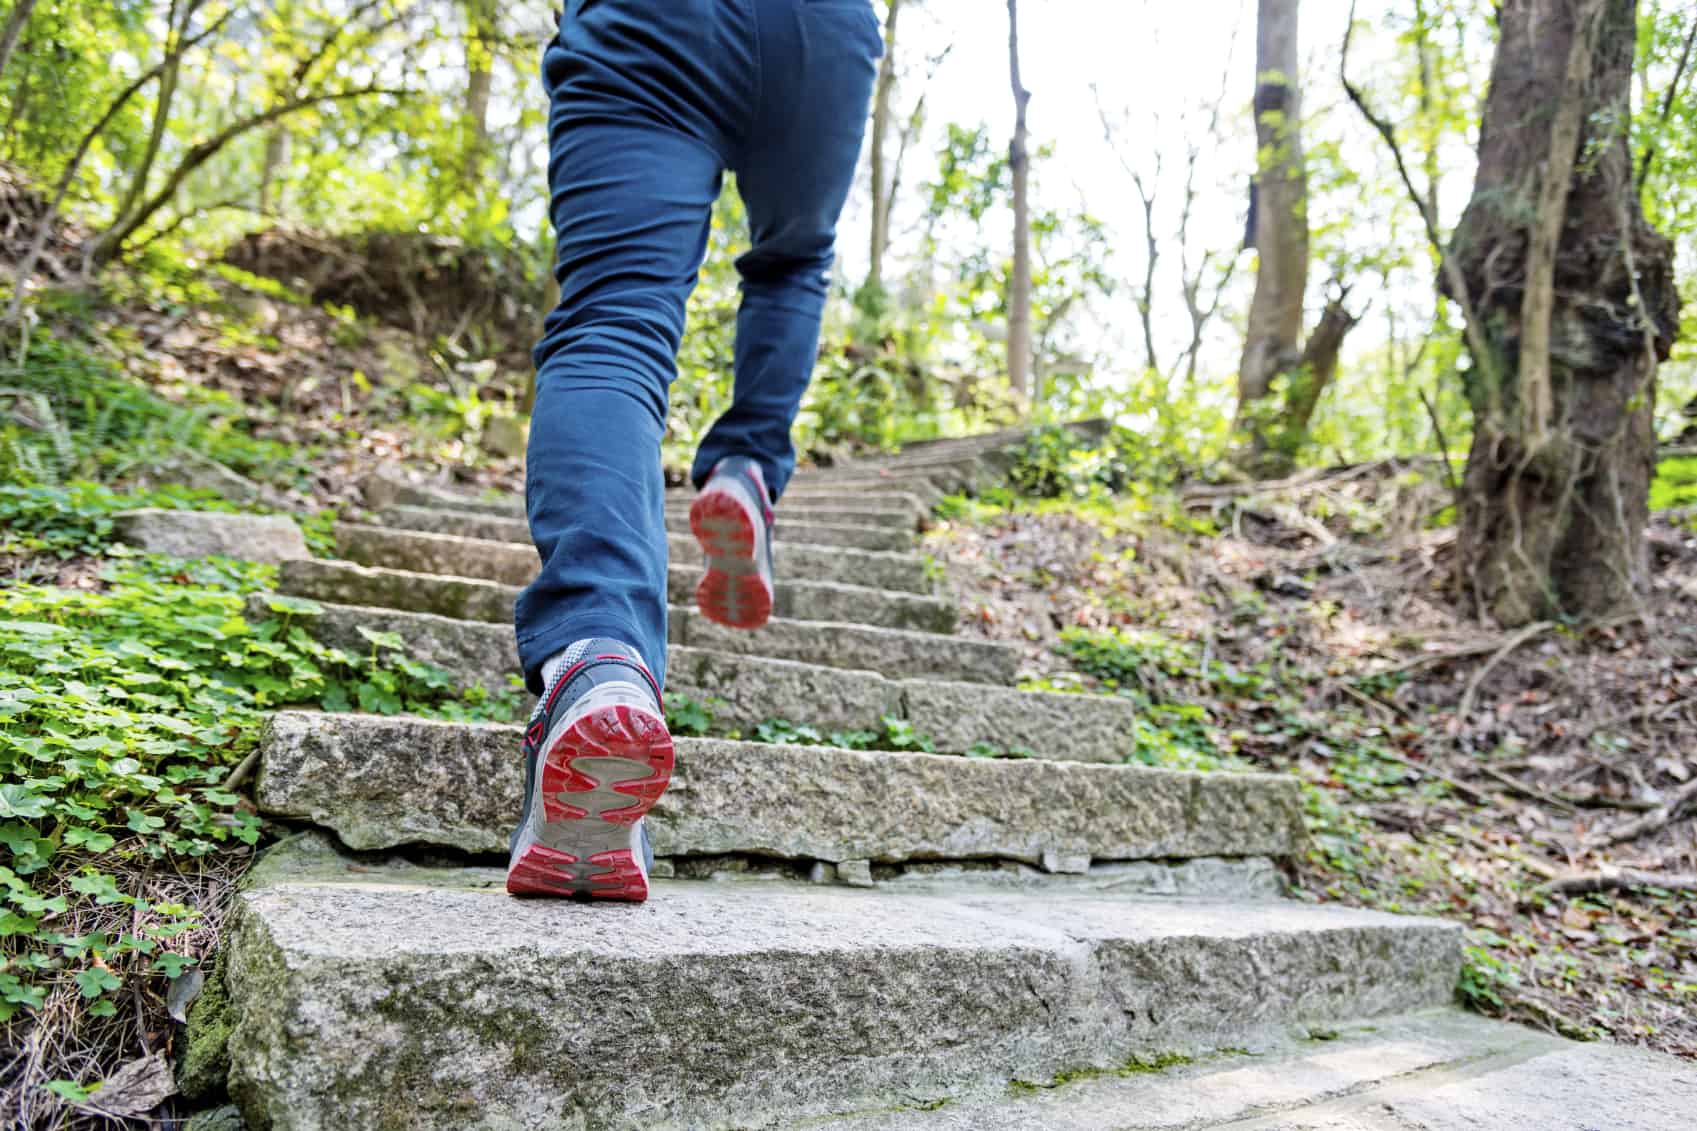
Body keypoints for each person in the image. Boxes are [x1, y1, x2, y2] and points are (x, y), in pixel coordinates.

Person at [505, 0, 883, 901]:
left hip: (651, 25)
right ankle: (749, 466)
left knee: (615, 325)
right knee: (792, 261)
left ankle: (598, 657)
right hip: (820, 32)